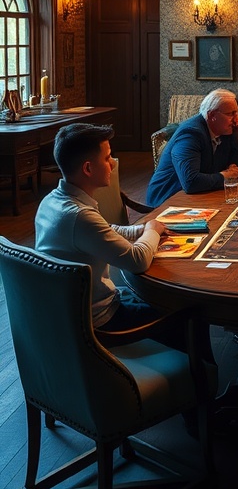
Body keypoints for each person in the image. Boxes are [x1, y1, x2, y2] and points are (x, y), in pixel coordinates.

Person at [34, 122, 175, 336]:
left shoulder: (52, 201)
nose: (113, 165)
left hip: (71, 310)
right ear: (88, 168)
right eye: (107, 158)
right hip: (99, 322)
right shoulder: (79, 216)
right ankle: (201, 369)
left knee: (164, 300)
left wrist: (140, 229)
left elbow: (105, 229)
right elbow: (136, 261)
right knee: (188, 316)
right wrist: (152, 230)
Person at [146, 88, 238, 206]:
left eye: (237, 113)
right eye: (230, 114)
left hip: (197, 197)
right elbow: (191, 182)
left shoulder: (224, 130)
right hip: (167, 200)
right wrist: (225, 176)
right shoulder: (190, 134)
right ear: (212, 115)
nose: (237, 120)